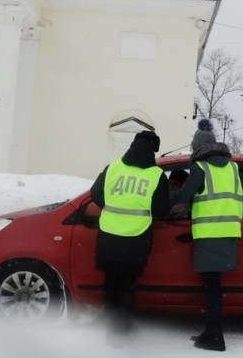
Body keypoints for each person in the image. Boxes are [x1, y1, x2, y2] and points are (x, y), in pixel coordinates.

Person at [90, 130, 170, 346]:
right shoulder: (156, 175)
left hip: (108, 234)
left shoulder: (113, 167)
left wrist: (111, 207)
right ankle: (121, 330)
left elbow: (95, 191)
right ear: (153, 150)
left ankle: (110, 330)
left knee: (109, 283)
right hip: (135, 238)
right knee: (127, 285)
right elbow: (162, 209)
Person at [170, 118, 243, 352]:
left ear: (196, 149)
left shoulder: (200, 168)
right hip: (229, 232)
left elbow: (183, 195)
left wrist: (164, 199)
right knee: (214, 285)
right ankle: (210, 331)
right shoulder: (233, 167)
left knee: (211, 286)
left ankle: (216, 337)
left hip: (209, 233)